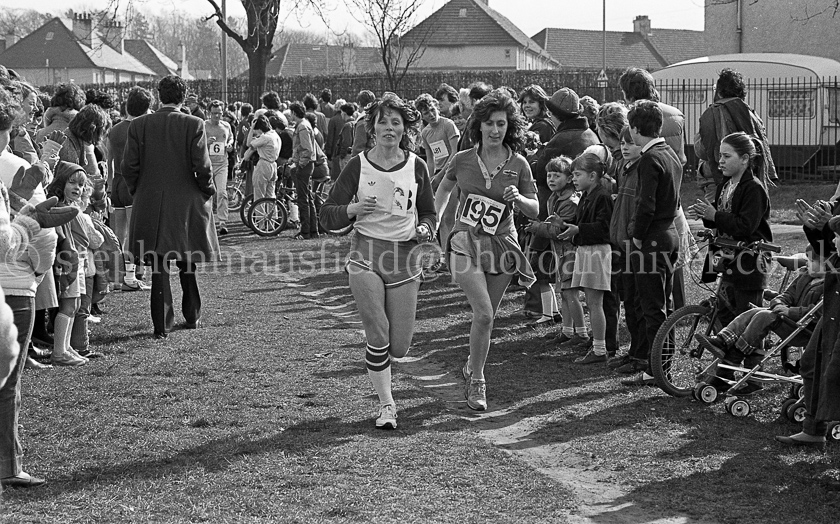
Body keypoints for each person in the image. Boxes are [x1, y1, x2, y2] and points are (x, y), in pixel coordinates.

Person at [319, 93, 435, 429]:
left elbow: (428, 212)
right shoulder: (358, 164)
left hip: (404, 256)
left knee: (399, 347)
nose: (389, 128)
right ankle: (387, 405)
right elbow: (327, 215)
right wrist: (351, 210)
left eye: (395, 122)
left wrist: (426, 229)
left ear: (405, 128)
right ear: (372, 128)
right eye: (382, 121)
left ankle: (385, 382)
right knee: (377, 332)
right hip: (366, 252)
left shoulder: (417, 165)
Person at [434, 90, 539, 411]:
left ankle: (470, 364)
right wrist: (432, 227)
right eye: (490, 124)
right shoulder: (462, 159)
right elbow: (442, 191)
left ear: (510, 127)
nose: (496, 130)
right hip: (464, 242)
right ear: (478, 125)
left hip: (502, 247)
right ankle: (478, 378)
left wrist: (518, 200)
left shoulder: (518, 163)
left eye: (502, 124)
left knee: (487, 319)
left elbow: (535, 209)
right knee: (482, 311)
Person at [121, 75, 219, 340]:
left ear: (159, 95)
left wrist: (138, 191)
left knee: (158, 266)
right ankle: (192, 315)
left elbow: (128, 166)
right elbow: (202, 166)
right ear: (183, 96)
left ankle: (162, 324)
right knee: (187, 263)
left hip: (150, 199)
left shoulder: (139, 125)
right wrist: (206, 189)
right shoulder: (193, 123)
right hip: (186, 201)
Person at [686, 131, 773, 392]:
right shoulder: (726, 185)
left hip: (749, 261)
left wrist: (716, 215)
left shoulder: (753, 188)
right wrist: (706, 216)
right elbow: (722, 218)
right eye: (719, 156)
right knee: (725, 315)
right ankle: (726, 372)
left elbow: (746, 226)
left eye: (726, 156)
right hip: (726, 257)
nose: (720, 161)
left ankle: (753, 377)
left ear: (745, 159)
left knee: (749, 319)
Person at [620, 101, 681, 386]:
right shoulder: (669, 153)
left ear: (635, 129)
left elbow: (645, 204)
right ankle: (663, 363)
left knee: (651, 305)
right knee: (663, 303)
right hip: (670, 234)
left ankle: (658, 368)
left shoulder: (648, 158)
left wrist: (636, 236)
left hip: (653, 238)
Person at [776, 207, 840, 450]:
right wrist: (818, 228)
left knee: (835, 373)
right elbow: (828, 250)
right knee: (812, 363)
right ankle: (813, 430)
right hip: (832, 313)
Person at [697, 244, 824, 364]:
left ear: (826, 265)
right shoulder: (804, 277)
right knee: (754, 311)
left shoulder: (828, 286)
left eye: (812, 261)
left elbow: (819, 312)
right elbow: (787, 295)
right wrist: (778, 304)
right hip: (790, 322)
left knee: (764, 315)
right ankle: (723, 339)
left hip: (806, 330)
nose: (807, 263)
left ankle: (735, 355)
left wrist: (789, 312)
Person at [556, 149, 614, 364]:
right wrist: (564, 226)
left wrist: (578, 230)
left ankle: (600, 348)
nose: (573, 179)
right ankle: (598, 344)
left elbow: (604, 228)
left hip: (597, 251)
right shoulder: (589, 196)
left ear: (592, 176)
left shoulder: (602, 196)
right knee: (591, 301)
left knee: (595, 302)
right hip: (587, 250)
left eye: (578, 174)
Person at [695, 68, 776, 202]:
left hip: (718, 177)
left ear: (719, 91)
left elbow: (703, 151)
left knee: (717, 217)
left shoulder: (712, 113)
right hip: (747, 176)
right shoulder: (751, 114)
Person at [524, 156, 584, 335]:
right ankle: (566, 331)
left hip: (570, 252)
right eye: (549, 175)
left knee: (570, 293)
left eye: (557, 175)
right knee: (565, 293)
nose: (551, 179)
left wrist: (536, 227)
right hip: (560, 252)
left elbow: (559, 231)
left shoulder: (570, 201)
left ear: (569, 178)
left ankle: (580, 332)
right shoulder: (554, 197)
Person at [108, 86, 151, 291]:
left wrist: (109, 186)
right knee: (134, 234)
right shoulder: (142, 128)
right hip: (133, 183)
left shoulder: (114, 129)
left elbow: (109, 161)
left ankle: (117, 276)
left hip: (116, 182)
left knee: (119, 234)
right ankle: (131, 276)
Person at [288, 102, 318, 240]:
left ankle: (306, 231)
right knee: (307, 198)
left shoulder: (302, 126)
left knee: (303, 199)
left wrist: (299, 164)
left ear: (294, 112)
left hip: (304, 165)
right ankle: (312, 230)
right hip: (306, 163)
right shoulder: (304, 125)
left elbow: (307, 148)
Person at [205, 100, 234, 236]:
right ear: (209, 113)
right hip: (207, 164)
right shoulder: (203, 126)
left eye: (220, 113)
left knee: (222, 192)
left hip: (222, 164)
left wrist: (229, 144)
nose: (217, 116)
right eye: (214, 113)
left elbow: (231, 139)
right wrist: (205, 142)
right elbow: (195, 144)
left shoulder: (226, 125)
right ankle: (207, 222)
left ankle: (222, 222)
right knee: (208, 194)